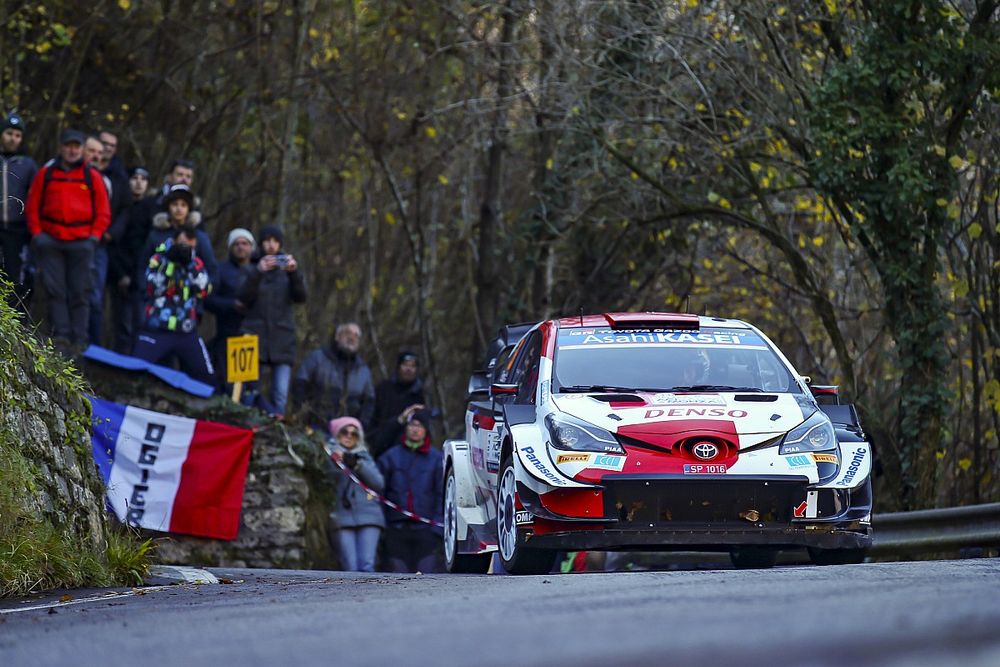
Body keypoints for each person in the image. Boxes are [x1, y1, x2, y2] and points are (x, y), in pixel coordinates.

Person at [25, 128, 111, 354]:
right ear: (61, 147)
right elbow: (32, 206)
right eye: (69, 146)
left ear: (82, 150)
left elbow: (103, 211)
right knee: (55, 290)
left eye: (77, 146)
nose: (73, 151)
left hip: (82, 242)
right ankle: (61, 336)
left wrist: (94, 237)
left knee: (81, 290)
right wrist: (37, 234)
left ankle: (80, 339)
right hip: (51, 240)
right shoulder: (47, 173)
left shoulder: (91, 176)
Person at [132, 224, 214, 385]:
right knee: (135, 368)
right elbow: (150, 288)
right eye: (181, 243)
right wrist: (169, 263)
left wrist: (189, 263)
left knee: (207, 377)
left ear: (194, 243)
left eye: (188, 243)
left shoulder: (196, 263)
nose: (184, 247)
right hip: (157, 329)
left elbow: (204, 290)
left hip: (186, 331)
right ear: (174, 241)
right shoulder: (158, 259)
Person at [237, 224, 306, 417]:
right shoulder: (249, 268)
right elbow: (242, 297)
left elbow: (301, 297)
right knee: (249, 391)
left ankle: (276, 432)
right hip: (253, 336)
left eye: (275, 241)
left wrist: (294, 274)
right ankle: (246, 422)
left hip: (282, 338)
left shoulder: (287, 272)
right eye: (267, 241)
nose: (271, 245)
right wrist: (257, 272)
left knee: (280, 395)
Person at [376, 409, 443, 573]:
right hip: (396, 529)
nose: (415, 429)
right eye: (412, 425)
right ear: (406, 428)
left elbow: (442, 494)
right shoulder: (390, 457)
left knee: (426, 576)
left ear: (426, 430)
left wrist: (437, 528)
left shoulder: (436, 459)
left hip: (426, 530)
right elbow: (378, 489)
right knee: (398, 577)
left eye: (420, 426)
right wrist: (384, 525)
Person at [106, 166, 157, 353]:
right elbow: (111, 243)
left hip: (142, 276)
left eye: (143, 179)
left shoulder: (151, 210)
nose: (138, 182)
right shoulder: (118, 207)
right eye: (134, 178)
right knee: (121, 324)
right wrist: (120, 274)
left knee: (141, 324)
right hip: (119, 273)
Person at [325, 416, 385, 573]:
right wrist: (335, 461)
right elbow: (326, 480)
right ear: (337, 434)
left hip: (369, 514)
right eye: (345, 432)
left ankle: (372, 598)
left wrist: (356, 464)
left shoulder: (364, 455)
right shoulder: (327, 454)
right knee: (349, 567)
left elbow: (378, 483)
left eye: (354, 433)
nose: (349, 436)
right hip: (341, 516)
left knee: (367, 565)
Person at [293, 322, 375, 430]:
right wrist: (303, 413)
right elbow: (300, 384)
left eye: (356, 336)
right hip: (314, 423)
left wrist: (361, 425)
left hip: (346, 432)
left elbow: (369, 401)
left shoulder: (363, 370)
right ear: (337, 336)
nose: (352, 338)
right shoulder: (318, 357)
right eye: (347, 333)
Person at [138, 183, 217, 287]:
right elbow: (143, 266)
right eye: (175, 204)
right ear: (168, 207)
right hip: (159, 296)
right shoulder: (156, 235)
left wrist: (203, 289)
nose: (179, 209)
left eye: (183, 205)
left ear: (189, 209)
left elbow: (211, 269)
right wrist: (146, 289)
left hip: (191, 297)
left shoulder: (199, 237)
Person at [205, 228, 255, 388]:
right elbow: (208, 300)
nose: (241, 247)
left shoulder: (261, 270)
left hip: (257, 337)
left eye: (245, 243)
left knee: (251, 387)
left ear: (251, 247)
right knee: (230, 385)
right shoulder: (220, 271)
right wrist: (232, 305)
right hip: (228, 336)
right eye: (236, 244)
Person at [0, 112, 38, 311]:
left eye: (17, 135)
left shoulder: (28, 165)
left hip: (18, 231)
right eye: (9, 133)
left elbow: (36, 197)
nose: (13, 138)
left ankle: (15, 323)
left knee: (15, 278)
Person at [370, 351, 426, 458]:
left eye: (413, 366)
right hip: (382, 446)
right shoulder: (383, 389)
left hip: (410, 450)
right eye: (405, 365)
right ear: (398, 367)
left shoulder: (421, 395)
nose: (409, 369)